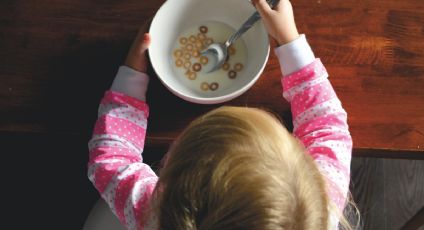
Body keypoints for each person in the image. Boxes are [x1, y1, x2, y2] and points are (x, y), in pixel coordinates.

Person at [87, 0, 358, 229]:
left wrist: (131, 77)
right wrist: (289, 40)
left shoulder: (154, 212)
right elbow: (326, 126)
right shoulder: (320, 206)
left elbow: (111, 159)